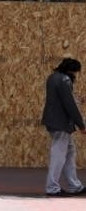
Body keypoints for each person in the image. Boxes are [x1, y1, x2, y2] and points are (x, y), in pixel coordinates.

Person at [42, 57, 86, 196]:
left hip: (53, 121)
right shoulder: (65, 80)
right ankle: (52, 188)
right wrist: (81, 125)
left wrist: (77, 99)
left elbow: (60, 99)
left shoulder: (52, 77)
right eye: (75, 72)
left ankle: (75, 185)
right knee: (59, 155)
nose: (75, 75)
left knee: (69, 151)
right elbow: (69, 104)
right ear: (71, 70)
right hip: (61, 123)